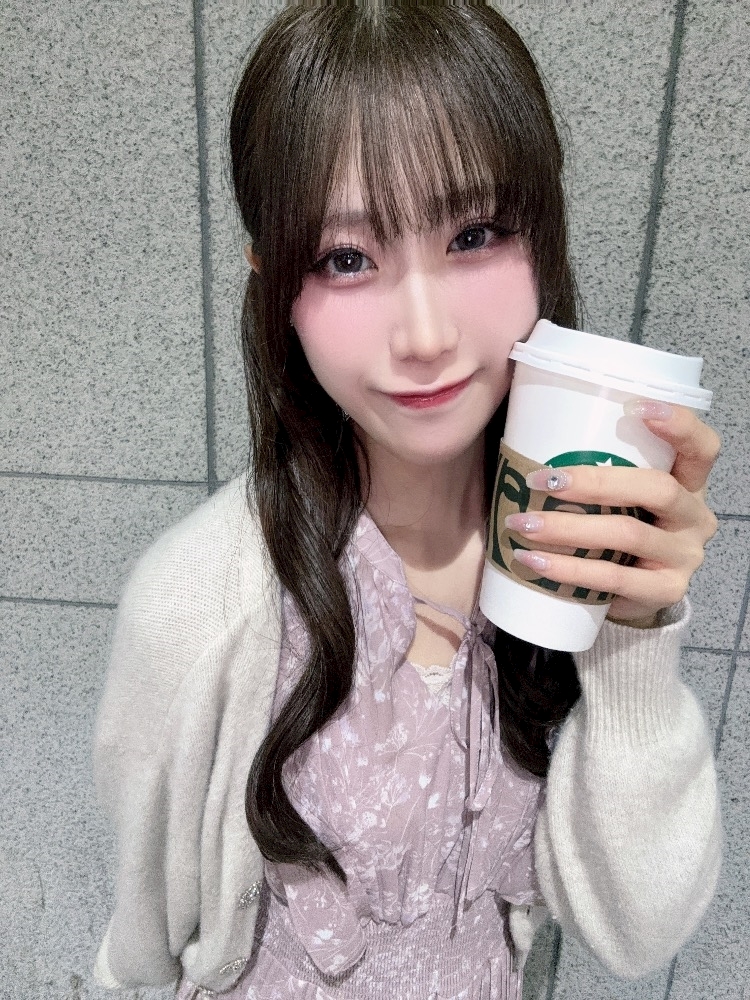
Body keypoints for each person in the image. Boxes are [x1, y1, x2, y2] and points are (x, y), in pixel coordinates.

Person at [92, 4, 723, 999]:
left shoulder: (560, 550)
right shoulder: (198, 607)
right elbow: (140, 951)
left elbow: (636, 932)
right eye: (346, 257)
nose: (425, 335)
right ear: (275, 285)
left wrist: (632, 635)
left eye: (474, 234)